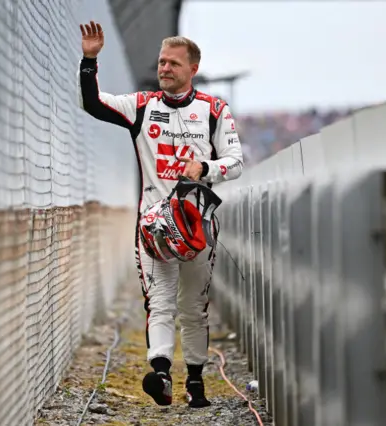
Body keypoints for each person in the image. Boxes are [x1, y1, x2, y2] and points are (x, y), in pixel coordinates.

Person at [77, 20, 243, 408]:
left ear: (192, 69)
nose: (164, 68)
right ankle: (162, 373)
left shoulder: (214, 111)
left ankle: (197, 381)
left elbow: (235, 162)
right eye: (161, 62)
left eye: (173, 63)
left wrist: (205, 168)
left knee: (193, 305)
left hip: (199, 226)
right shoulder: (141, 106)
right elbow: (92, 103)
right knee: (160, 301)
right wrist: (89, 60)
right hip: (154, 227)